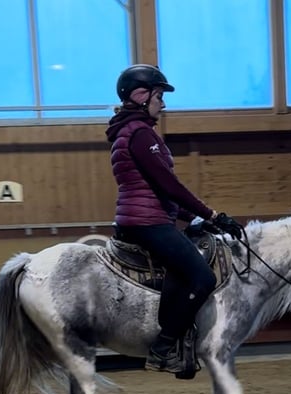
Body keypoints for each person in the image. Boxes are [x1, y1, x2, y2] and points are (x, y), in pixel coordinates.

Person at [105, 64, 244, 373]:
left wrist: (197, 220)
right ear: (141, 97)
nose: (163, 104)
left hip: (141, 217)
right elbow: (169, 185)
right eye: (159, 96)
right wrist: (213, 214)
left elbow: (158, 190)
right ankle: (163, 348)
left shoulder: (130, 131)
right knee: (203, 278)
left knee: (184, 270)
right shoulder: (141, 134)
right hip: (147, 223)